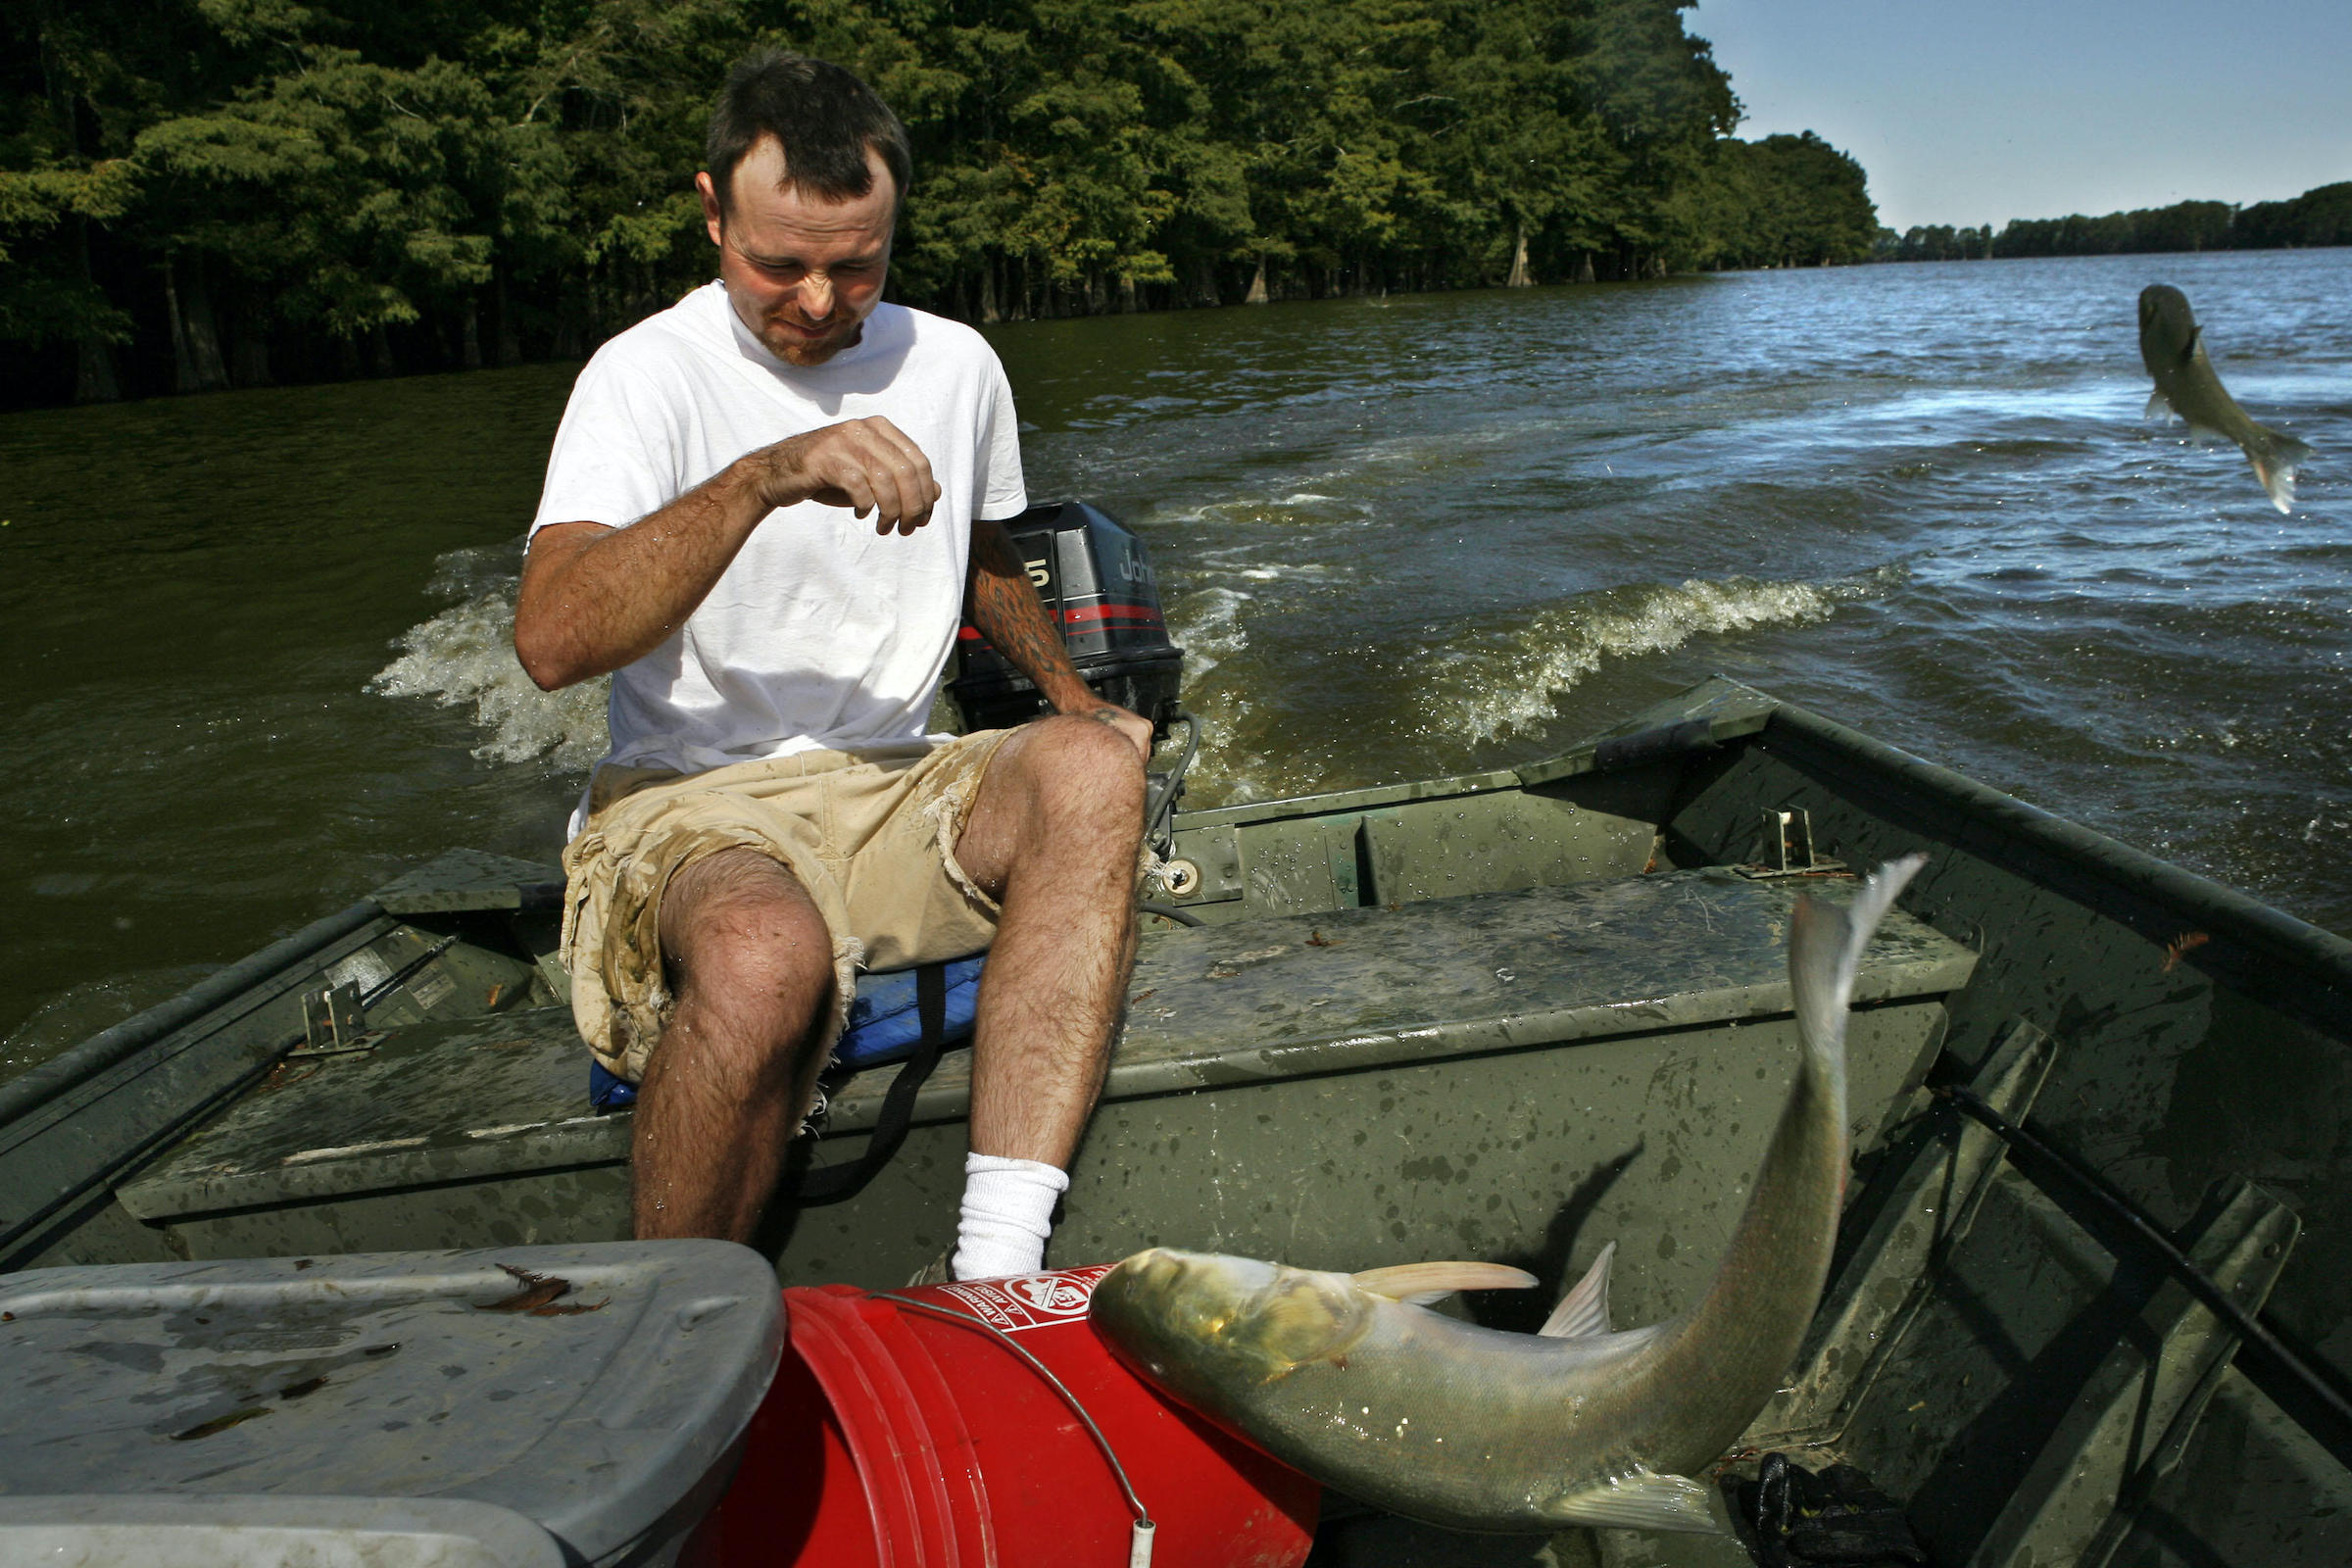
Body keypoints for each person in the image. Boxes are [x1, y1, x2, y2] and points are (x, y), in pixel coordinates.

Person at [512, 50, 1151, 1282]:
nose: (818, 300)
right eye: (780, 264)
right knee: (765, 957)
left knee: (1088, 777)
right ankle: (668, 1329)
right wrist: (770, 473)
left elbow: (982, 556)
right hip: (693, 801)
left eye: (856, 265)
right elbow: (552, 640)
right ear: (712, 212)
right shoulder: (641, 379)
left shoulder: (956, 365)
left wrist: (1082, 707)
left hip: (895, 783)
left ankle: (998, 1273)